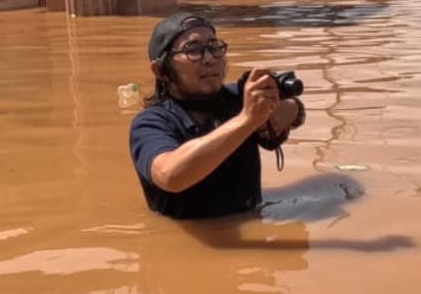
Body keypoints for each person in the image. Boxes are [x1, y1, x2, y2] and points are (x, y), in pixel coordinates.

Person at [129, 13, 307, 219]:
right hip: (193, 245)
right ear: (160, 70)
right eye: (193, 50)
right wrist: (247, 120)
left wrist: (290, 109)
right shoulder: (150, 123)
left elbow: (295, 113)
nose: (209, 59)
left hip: (253, 230)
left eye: (214, 47)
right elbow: (170, 176)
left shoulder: (239, 98)